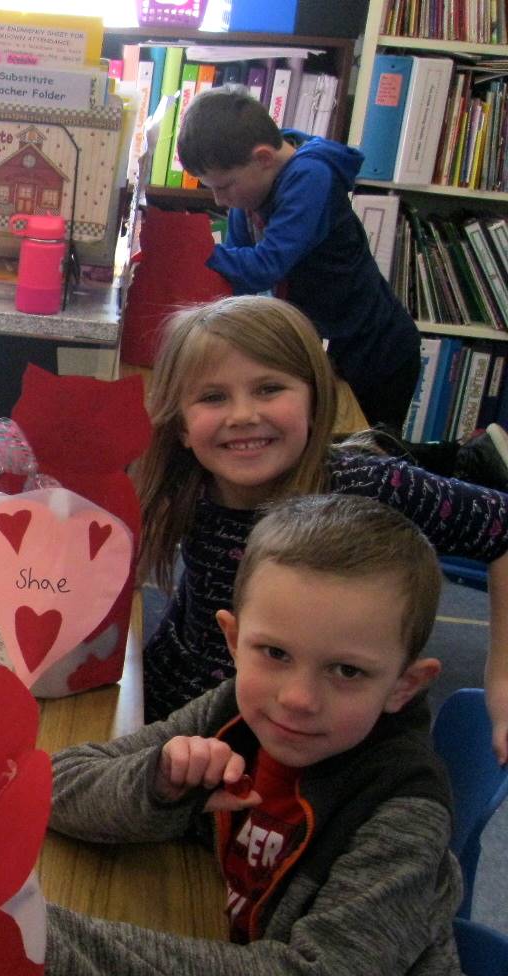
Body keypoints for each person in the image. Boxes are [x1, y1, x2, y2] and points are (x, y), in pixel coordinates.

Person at [48, 493, 490, 976]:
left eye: (346, 671)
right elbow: (59, 782)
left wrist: (36, 942)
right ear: (234, 638)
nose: (297, 698)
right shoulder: (235, 711)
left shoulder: (402, 810)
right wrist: (160, 787)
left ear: (405, 685)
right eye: (274, 653)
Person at [138, 295, 508, 761]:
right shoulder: (191, 481)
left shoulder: (364, 485)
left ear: (315, 401)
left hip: (317, 750)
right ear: (182, 428)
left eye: (269, 388)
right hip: (194, 728)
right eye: (213, 397)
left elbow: (502, 525)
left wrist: (503, 682)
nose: (243, 414)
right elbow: (196, 614)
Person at [176, 84, 508, 488]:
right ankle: (467, 456)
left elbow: (265, 265)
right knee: (355, 455)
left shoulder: (310, 177)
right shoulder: (251, 192)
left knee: (375, 462)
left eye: (223, 185)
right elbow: (238, 270)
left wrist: (188, 248)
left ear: (263, 158)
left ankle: (471, 462)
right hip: (336, 348)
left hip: (377, 349)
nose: (218, 199)